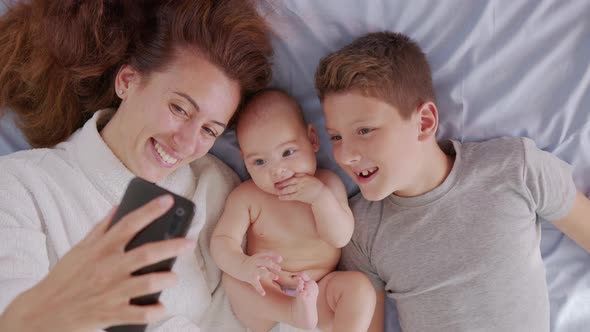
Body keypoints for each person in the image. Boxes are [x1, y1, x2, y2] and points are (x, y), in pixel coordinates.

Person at [0, 0, 272, 331]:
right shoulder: (21, 186)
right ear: (127, 81)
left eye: (209, 130)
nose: (186, 143)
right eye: (179, 109)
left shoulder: (217, 191)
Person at [313, 31, 590, 332]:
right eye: (336, 137)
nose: (345, 155)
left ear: (425, 122)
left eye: (364, 130)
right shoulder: (360, 229)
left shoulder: (514, 167)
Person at [210, 89, 376, 332]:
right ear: (244, 159)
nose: (277, 170)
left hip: (318, 294)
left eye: (287, 153)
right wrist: (243, 267)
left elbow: (340, 237)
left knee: (359, 288)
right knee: (232, 279)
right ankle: (290, 311)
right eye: (259, 162)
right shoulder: (247, 196)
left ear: (312, 140)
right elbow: (223, 241)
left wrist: (319, 198)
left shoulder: (327, 185)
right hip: (267, 297)